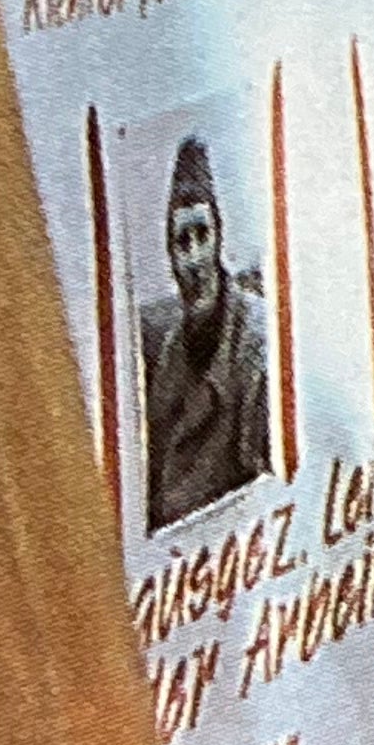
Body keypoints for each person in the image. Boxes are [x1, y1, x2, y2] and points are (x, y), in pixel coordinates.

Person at [138, 133, 273, 531]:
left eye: (202, 235)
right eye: (182, 242)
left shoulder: (255, 339)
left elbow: (265, 482)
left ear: (219, 239)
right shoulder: (169, 355)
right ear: (171, 256)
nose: (195, 258)